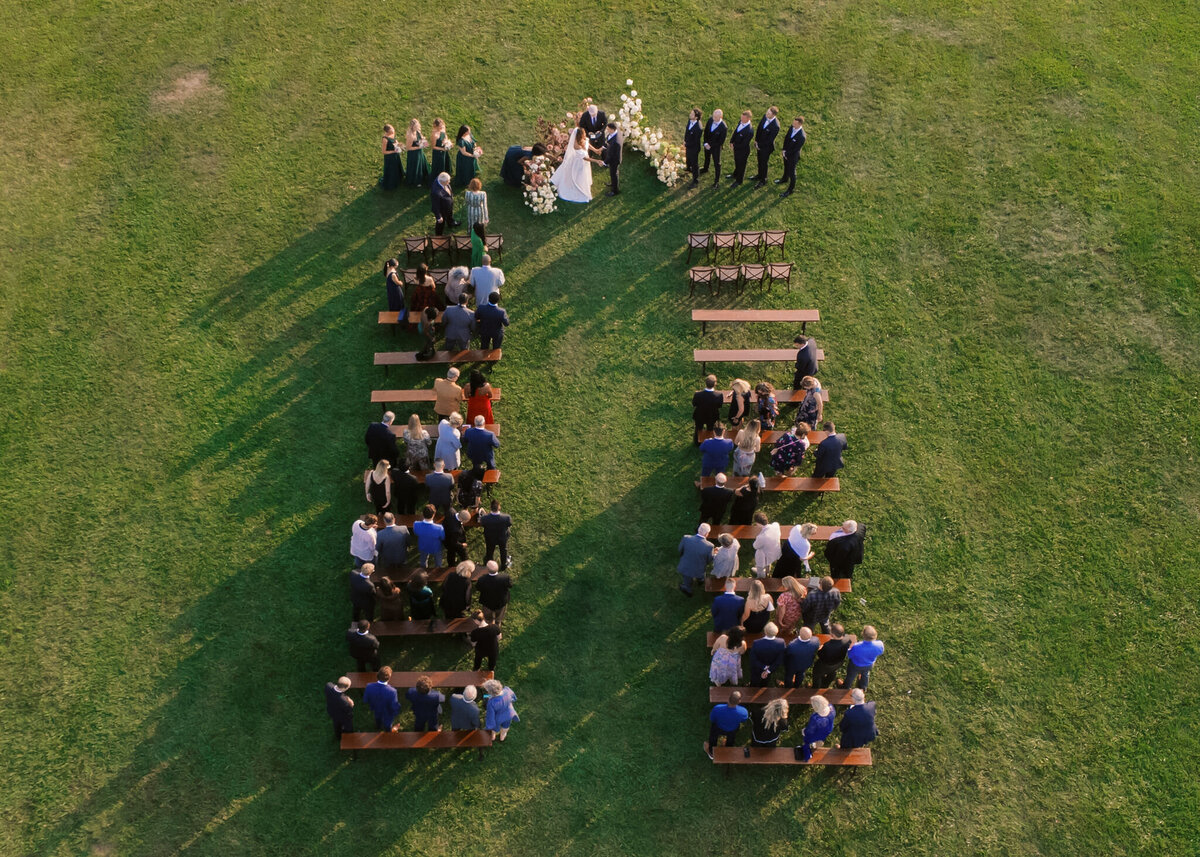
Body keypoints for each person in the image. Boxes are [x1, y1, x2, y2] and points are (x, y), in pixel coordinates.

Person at [550, 123, 594, 203]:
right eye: (583, 133)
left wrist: (596, 150)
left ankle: (584, 185)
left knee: (583, 175)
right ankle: (578, 188)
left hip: (584, 161)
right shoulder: (576, 145)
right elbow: (584, 158)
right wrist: (597, 161)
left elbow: (587, 143)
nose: (585, 134)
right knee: (578, 176)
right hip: (579, 162)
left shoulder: (583, 139)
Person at [704, 690, 748, 759]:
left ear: (728, 698)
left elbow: (712, 719)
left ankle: (711, 753)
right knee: (731, 739)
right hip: (732, 730)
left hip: (718, 728)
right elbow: (744, 720)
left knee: (713, 737)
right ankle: (728, 749)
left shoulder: (717, 708)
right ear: (739, 701)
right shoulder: (743, 712)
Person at [811, 623, 854, 688]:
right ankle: (826, 684)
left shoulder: (828, 646)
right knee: (832, 672)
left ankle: (815, 688)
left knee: (817, 675)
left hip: (825, 665)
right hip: (838, 663)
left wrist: (820, 649)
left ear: (832, 635)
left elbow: (821, 655)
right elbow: (851, 640)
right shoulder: (847, 639)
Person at [677, 523, 714, 595]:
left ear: (698, 530)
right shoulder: (710, 546)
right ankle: (700, 580)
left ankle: (688, 589)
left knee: (687, 578)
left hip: (686, 566)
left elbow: (680, 549)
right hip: (699, 568)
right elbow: (709, 559)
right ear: (707, 534)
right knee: (701, 575)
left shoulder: (686, 538)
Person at [844, 625, 885, 690]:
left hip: (855, 665)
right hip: (869, 665)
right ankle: (863, 686)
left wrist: (849, 649)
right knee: (865, 674)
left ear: (863, 634)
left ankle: (846, 687)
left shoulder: (857, 646)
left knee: (851, 676)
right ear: (875, 635)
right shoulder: (880, 644)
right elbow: (881, 652)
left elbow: (850, 655)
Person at [799, 695, 836, 761]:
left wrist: (804, 731)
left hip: (816, 733)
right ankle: (818, 744)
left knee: (808, 740)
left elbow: (810, 731)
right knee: (821, 738)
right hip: (828, 729)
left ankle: (808, 751)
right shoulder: (831, 708)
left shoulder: (815, 718)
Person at [363, 666, 400, 732]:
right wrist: (396, 711)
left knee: (377, 718)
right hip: (387, 712)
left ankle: (378, 727)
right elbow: (394, 705)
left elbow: (365, 699)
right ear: (389, 678)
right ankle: (388, 731)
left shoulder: (369, 686)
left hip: (375, 708)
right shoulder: (392, 691)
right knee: (388, 724)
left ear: (378, 675)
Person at [777, 115, 806, 198]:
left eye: (795, 123)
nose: (793, 124)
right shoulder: (792, 127)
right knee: (786, 167)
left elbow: (796, 149)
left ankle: (790, 190)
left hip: (793, 156)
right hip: (786, 152)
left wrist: (787, 154)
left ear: (800, 124)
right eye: (793, 122)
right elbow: (786, 138)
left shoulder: (802, 136)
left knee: (792, 173)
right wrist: (784, 150)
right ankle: (784, 179)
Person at [751, 105, 780, 188]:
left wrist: (759, 145)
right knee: (759, 161)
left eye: (768, 113)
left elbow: (769, 140)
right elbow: (759, 128)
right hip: (759, 144)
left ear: (773, 115)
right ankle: (759, 175)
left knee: (764, 163)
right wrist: (756, 140)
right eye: (767, 112)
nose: (766, 114)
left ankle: (763, 180)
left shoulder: (776, 126)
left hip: (766, 148)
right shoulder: (765, 117)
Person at [692, 374, 724, 445]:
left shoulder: (698, 394)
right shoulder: (719, 395)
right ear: (715, 384)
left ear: (705, 383)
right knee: (710, 429)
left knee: (698, 428)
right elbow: (719, 406)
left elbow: (694, 404)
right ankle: (710, 442)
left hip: (700, 415)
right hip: (712, 416)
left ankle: (697, 442)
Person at [476, 560, 512, 625]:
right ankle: (497, 626)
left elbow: (478, 588)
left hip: (487, 603)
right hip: (501, 603)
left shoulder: (482, 579)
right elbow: (510, 585)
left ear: (487, 570)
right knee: (499, 619)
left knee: (487, 619)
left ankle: (489, 627)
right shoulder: (505, 577)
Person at [480, 499, 512, 569]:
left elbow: (482, 524)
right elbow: (509, 524)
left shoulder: (484, 518)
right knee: (503, 550)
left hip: (490, 538)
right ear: (499, 507)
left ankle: (489, 562)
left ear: (490, 507)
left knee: (489, 550)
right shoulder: (506, 517)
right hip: (502, 537)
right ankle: (503, 564)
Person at [701, 109, 727, 186]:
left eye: (716, 117)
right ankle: (705, 168)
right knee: (707, 157)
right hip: (707, 144)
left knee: (717, 163)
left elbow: (720, 141)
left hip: (716, 147)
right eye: (713, 116)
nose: (714, 118)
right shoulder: (710, 120)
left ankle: (716, 181)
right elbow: (706, 132)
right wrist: (705, 143)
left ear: (720, 117)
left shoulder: (723, 127)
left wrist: (710, 145)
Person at [751, 512, 782, 577]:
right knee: (768, 562)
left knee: (760, 568)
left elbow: (755, 546)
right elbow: (776, 523)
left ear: (758, 523)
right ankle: (767, 571)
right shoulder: (775, 526)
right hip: (775, 552)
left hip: (765, 556)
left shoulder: (762, 537)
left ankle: (761, 576)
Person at [728, 110, 753, 186]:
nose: (741, 119)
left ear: (748, 119)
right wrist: (731, 141)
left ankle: (739, 180)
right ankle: (735, 174)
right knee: (737, 162)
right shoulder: (741, 122)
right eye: (741, 117)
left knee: (741, 165)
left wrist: (734, 146)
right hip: (737, 148)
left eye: (743, 118)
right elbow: (736, 132)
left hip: (743, 151)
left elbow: (744, 144)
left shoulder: (749, 131)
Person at [404, 119, 431, 187]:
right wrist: (419, 147)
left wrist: (423, 141)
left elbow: (421, 137)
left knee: (421, 164)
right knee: (415, 166)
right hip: (413, 154)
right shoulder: (410, 136)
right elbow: (408, 148)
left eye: (418, 125)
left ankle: (423, 177)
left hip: (420, 152)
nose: (418, 127)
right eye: (416, 126)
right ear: (412, 127)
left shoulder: (418, 131)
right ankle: (415, 180)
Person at [600, 121, 622, 196]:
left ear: (613, 129)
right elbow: (608, 141)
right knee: (612, 173)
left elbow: (611, 156)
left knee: (614, 174)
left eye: (608, 129)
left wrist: (604, 162)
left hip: (614, 160)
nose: (607, 130)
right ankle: (612, 183)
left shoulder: (615, 142)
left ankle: (615, 191)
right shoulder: (615, 132)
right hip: (613, 156)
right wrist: (604, 147)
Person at [380, 124, 403, 189]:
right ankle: (391, 182)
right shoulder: (385, 139)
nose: (393, 130)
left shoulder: (393, 134)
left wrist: (399, 145)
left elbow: (395, 141)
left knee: (396, 167)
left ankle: (398, 178)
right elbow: (384, 152)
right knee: (391, 169)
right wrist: (393, 152)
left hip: (395, 155)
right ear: (388, 131)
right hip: (389, 157)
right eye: (391, 129)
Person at [684, 107, 703, 186]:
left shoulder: (698, 128)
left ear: (696, 117)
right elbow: (687, 131)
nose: (690, 114)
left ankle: (695, 180)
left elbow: (695, 141)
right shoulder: (690, 120)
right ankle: (688, 168)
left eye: (692, 114)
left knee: (694, 164)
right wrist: (685, 140)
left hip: (694, 148)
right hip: (688, 145)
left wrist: (686, 144)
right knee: (688, 158)